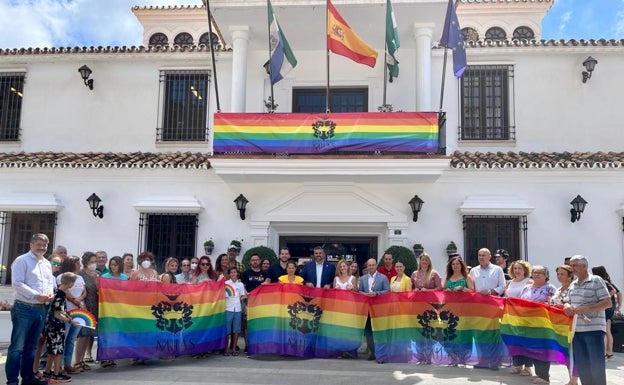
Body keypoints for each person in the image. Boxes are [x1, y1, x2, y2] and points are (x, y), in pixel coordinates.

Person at [5, 233, 55, 385]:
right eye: (39, 244)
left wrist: (50, 293)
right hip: (24, 308)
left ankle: (28, 379)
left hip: (40, 310)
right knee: (17, 347)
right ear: (31, 245)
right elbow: (17, 283)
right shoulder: (22, 261)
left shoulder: (46, 263)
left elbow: (49, 284)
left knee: (31, 347)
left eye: (44, 245)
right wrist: (36, 295)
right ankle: (12, 381)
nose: (42, 247)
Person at [564, 255, 612, 385]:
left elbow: (608, 302)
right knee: (583, 365)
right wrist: (567, 306)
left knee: (596, 365)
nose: (572, 268)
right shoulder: (573, 284)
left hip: (594, 329)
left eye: (574, 265)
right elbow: (567, 301)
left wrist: (587, 308)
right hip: (576, 330)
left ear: (584, 266)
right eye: (571, 266)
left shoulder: (596, 280)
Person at [469, 248, 506, 370]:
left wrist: (491, 291)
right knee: (480, 333)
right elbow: (471, 288)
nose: (481, 257)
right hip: (478, 306)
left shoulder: (497, 269)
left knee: (493, 333)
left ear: (489, 256)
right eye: (479, 255)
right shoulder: (473, 271)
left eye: (484, 255)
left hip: (493, 304)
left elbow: (503, 286)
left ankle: (494, 361)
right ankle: (482, 360)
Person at [520, 265, 556, 384]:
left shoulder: (550, 288)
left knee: (542, 349)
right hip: (528, 323)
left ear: (546, 276)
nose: (536, 274)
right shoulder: (526, 288)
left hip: (543, 324)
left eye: (539, 273)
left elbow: (554, 304)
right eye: (534, 272)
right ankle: (539, 374)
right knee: (533, 349)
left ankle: (545, 376)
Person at [42, 272, 80, 384]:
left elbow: (59, 311)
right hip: (56, 326)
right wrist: (70, 320)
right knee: (58, 350)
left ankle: (47, 372)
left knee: (51, 350)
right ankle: (57, 373)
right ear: (71, 283)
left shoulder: (55, 291)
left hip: (51, 325)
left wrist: (68, 316)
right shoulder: (61, 294)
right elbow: (57, 313)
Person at [503, 260, 533, 377]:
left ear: (525, 270)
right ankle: (517, 365)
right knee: (514, 340)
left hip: (524, 316)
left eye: (520, 268)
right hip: (511, 316)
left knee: (526, 341)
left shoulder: (529, 282)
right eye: (515, 268)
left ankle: (528, 367)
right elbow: (505, 296)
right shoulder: (509, 282)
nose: (517, 271)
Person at [550, 264, 578, 385]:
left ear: (570, 276)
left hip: (570, 325)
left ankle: (574, 379)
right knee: (565, 352)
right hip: (558, 325)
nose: (559, 276)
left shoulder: (573, 288)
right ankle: (571, 378)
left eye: (562, 274)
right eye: (558, 274)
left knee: (572, 352)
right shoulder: (558, 289)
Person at [58, 256, 86, 375]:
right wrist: (76, 301)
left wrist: (80, 300)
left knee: (71, 339)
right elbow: (65, 290)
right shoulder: (61, 277)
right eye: (77, 263)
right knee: (63, 339)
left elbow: (84, 291)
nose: (79, 265)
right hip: (67, 311)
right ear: (71, 264)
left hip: (79, 312)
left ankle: (68, 364)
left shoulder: (80, 277)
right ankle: (58, 366)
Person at [358, 258, 389, 361]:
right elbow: (359, 291)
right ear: (367, 267)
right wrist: (365, 294)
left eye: (373, 265)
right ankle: (373, 352)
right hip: (367, 309)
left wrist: (377, 294)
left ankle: (382, 352)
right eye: (369, 265)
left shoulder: (383, 278)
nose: (371, 267)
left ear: (376, 266)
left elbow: (387, 291)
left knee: (379, 331)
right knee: (368, 332)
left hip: (379, 309)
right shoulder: (362, 279)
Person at [99, 256, 126, 368]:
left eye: (115, 264)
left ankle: (112, 357)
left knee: (116, 334)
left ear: (120, 265)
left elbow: (126, 292)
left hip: (119, 309)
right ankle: (104, 357)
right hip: (107, 308)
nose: (113, 266)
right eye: (111, 264)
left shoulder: (124, 277)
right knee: (107, 333)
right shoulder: (105, 277)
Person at [73, 252, 99, 371]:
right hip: (83, 306)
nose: (93, 264)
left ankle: (82, 360)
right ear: (86, 262)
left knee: (88, 335)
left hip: (94, 306)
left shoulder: (97, 275)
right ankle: (77, 361)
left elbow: (99, 290)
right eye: (91, 262)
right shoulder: (81, 274)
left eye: (95, 262)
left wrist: (96, 280)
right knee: (82, 335)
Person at [591, 265, 621, 359]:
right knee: (607, 331)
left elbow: (613, 291)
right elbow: (618, 292)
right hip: (610, 309)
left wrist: (602, 299)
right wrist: (618, 306)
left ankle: (603, 352)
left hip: (605, 309)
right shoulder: (607, 281)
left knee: (603, 331)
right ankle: (609, 351)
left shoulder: (602, 281)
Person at [224, 267, 247, 356]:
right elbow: (224, 296)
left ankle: (234, 349)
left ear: (237, 273)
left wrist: (244, 296)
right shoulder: (226, 284)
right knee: (227, 331)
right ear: (229, 274)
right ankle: (226, 349)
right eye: (232, 272)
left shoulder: (240, 284)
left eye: (235, 272)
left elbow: (242, 296)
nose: (233, 274)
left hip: (237, 309)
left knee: (236, 330)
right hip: (228, 308)